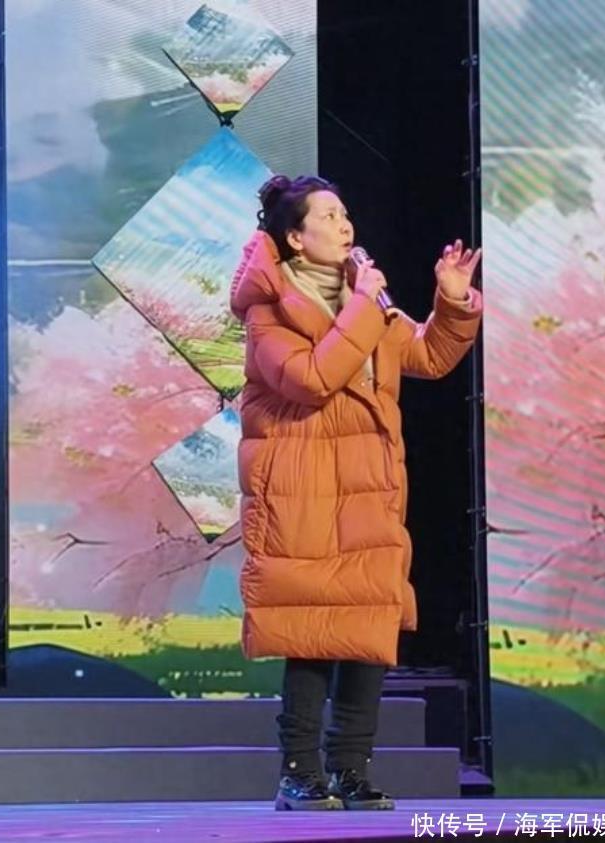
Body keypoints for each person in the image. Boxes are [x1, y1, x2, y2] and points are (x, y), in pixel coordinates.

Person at [229, 175, 483, 811]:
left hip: (368, 490)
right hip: (304, 491)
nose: (345, 225)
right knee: (311, 633)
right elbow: (313, 378)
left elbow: (427, 357)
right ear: (295, 237)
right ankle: (299, 774)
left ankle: (349, 770)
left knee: (368, 628)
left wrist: (452, 304)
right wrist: (365, 305)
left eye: (346, 214)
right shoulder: (269, 312)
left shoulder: (364, 297)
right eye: (329, 216)